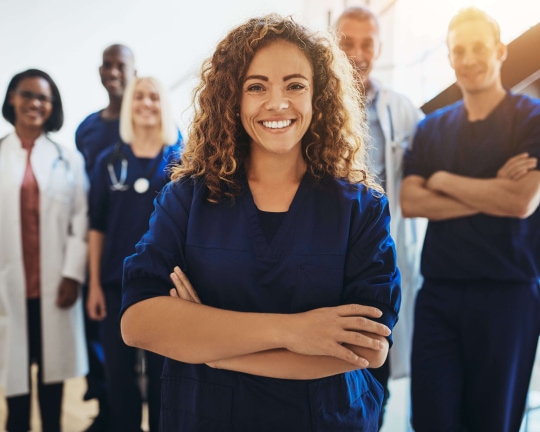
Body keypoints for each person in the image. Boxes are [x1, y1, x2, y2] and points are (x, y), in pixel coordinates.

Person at [120, 14, 400, 431]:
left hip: (324, 418)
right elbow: (138, 321)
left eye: (295, 85)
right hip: (206, 418)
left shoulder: (360, 208)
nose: (277, 103)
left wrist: (213, 348)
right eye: (256, 87)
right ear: (232, 98)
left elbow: (368, 349)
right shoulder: (188, 198)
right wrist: (295, 331)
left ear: (317, 95)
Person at [400, 7, 540, 431]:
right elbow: (410, 201)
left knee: (492, 422)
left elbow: (520, 201)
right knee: (431, 419)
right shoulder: (431, 129)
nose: (469, 58)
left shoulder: (530, 119)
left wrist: (442, 181)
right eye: (458, 50)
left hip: (508, 295)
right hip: (439, 296)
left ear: (500, 52)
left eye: (479, 47)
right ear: (449, 59)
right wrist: (489, 190)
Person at [335, 6, 426, 428]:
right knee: (331, 369)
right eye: (346, 42)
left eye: (367, 43)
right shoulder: (311, 103)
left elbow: (428, 169)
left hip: (376, 261)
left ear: (379, 48)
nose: (357, 53)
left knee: (376, 369)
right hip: (326, 255)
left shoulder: (400, 109)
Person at [86, 76, 181, 432]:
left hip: (165, 289)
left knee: (163, 382)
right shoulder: (107, 162)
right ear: (129, 105)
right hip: (114, 286)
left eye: (154, 97)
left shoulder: (180, 162)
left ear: (164, 105)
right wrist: (94, 284)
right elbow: (96, 227)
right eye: (139, 96)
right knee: (119, 382)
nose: (146, 103)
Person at [0, 69, 88, 432]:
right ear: (11, 99)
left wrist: (72, 274)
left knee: (53, 385)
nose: (35, 103)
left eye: (43, 98)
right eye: (27, 94)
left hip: (55, 288)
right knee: (14, 386)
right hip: (7, 291)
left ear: (52, 108)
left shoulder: (68, 158)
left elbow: (80, 217)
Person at [75, 43, 136, 431]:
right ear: (100, 71)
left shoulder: (151, 123)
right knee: (97, 332)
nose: (113, 72)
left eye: (121, 66)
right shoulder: (88, 129)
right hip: (99, 244)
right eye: (107, 65)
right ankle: (107, 408)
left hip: (140, 254)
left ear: (134, 72)